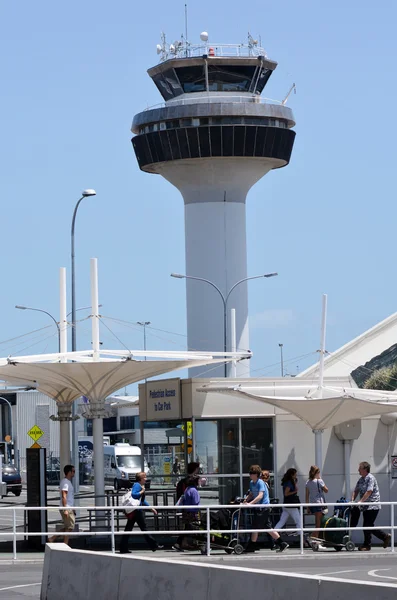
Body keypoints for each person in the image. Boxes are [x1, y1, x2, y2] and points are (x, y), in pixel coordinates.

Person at [244, 465, 288, 553]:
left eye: (252, 473)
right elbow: (252, 494)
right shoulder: (252, 483)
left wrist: (250, 504)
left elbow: (260, 495)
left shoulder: (260, 482)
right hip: (258, 507)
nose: (250, 475)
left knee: (255, 527)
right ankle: (282, 543)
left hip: (263, 508)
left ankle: (251, 545)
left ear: (257, 474)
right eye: (250, 473)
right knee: (267, 527)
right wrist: (245, 500)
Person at [350, 461, 391, 551]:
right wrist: (353, 500)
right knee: (368, 525)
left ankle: (368, 544)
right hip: (365, 506)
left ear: (365, 469)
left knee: (367, 525)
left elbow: (369, 491)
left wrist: (360, 501)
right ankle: (384, 537)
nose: (358, 470)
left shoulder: (370, 478)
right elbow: (356, 490)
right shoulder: (361, 479)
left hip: (373, 505)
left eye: (360, 468)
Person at [119, 472, 163, 553]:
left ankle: (123, 547)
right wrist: (142, 491)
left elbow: (142, 501)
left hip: (135, 510)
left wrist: (151, 508)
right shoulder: (137, 485)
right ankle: (154, 545)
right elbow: (134, 495)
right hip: (136, 511)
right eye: (144, 477)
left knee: (129, 529)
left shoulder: (139, 486)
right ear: (141, 479)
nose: (146, 479)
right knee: (143, 528)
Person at [48, 464, 76, 545]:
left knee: (69, 527)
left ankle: (53, 538)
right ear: (69, 472)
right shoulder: (65, 483)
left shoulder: (67, 482)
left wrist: (72, 508)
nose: (74, 473)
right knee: (70, 527)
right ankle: (64, 543)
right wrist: (66, 509)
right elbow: (64, 496)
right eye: (73, 471)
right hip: (66, 507)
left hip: (69, 507)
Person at [173, 475, 201, 551]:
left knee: (187, 527)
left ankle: (182, 543)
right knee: (191, 528)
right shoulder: (194, 490)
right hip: (192, 512)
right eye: (199, 480)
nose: (200, 482)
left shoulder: (187, 489)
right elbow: (196, 502)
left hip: (186, 511)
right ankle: (179, 543)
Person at [274, 468, 302, 536]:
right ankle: (301, 536)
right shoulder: (289, 482)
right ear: (292, 475)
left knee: (282, 521)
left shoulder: (288, 482)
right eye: (295, 474)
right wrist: (295, 491)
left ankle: (274, 532)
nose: (296, 475)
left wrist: (295, 483)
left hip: (286, 505)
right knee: (298, 521)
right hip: (291, 505)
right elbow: (286, 493)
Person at [305, 465, 328, 539]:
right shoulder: (319, 481)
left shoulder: (308, 482)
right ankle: (311, 539)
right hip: (319, 504)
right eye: (318, 472)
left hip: (312, 504)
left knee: (319, 523)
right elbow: (326, 490)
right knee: (318, 525)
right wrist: (320, 479)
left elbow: (307, 496)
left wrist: (307, 507)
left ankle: (316, 539)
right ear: (316, 473)